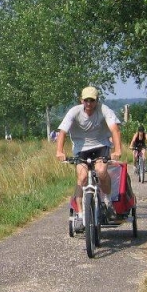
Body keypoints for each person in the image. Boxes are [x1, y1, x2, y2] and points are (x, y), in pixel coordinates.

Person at [55, 86, 123, 220]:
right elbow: (62, 132)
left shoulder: (104, 110)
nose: (89, 103)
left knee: (101, 171)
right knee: (82, 177)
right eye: (86, 100)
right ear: (81, 100)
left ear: (97, 100)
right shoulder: (74, 112)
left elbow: (115, 130)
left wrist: (117, 150)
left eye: (92, 100)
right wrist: (59, 151)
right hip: (81, 148)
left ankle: (108, 202)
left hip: (101, 145)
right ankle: (80, 214)